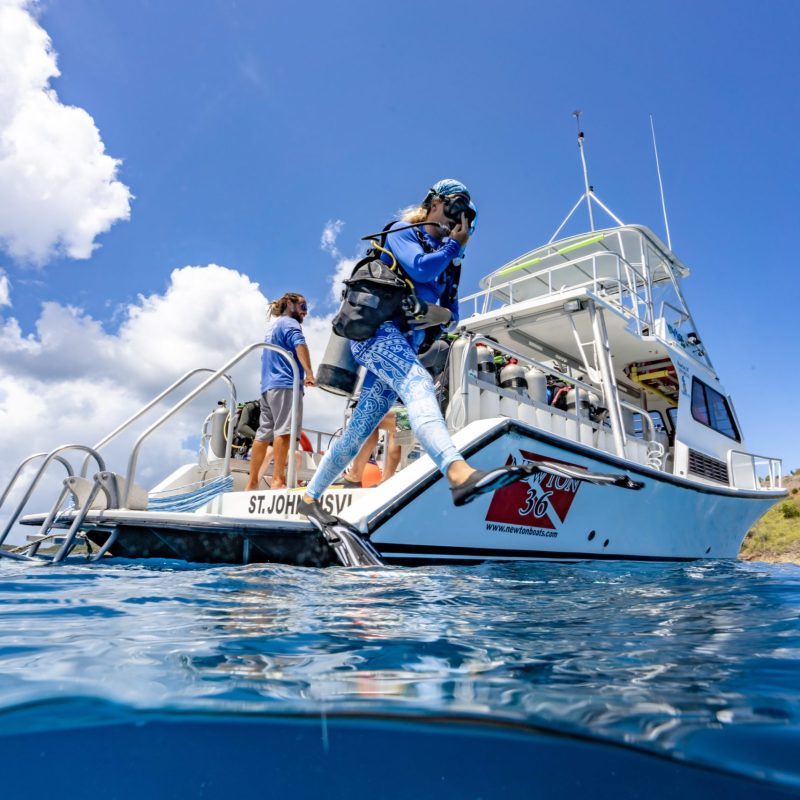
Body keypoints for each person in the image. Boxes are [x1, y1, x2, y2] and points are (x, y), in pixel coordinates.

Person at [298, 179, 531, 525]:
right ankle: (457, 473)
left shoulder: (450, 261)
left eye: (466, 216)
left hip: (403, 345)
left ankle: (309, 498)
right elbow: (420, 267)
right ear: (434, 203)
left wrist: (439, 313)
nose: (457, 219)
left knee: (360, 428)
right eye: (455, 207)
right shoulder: (404, 232)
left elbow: (453, 316)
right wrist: (453, 247)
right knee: (418, 384)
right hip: (376, 333)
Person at [246, 292, 315, 491]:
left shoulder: (273, 327)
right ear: (290, 304)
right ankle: (277, 480)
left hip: (267, 386)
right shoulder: (291, 324)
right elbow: (300, 344)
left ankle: (252, 483)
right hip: (285, 384)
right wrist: (309, 373)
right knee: (285, 431)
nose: (305, 312)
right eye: (303, 307)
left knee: (263, 434)